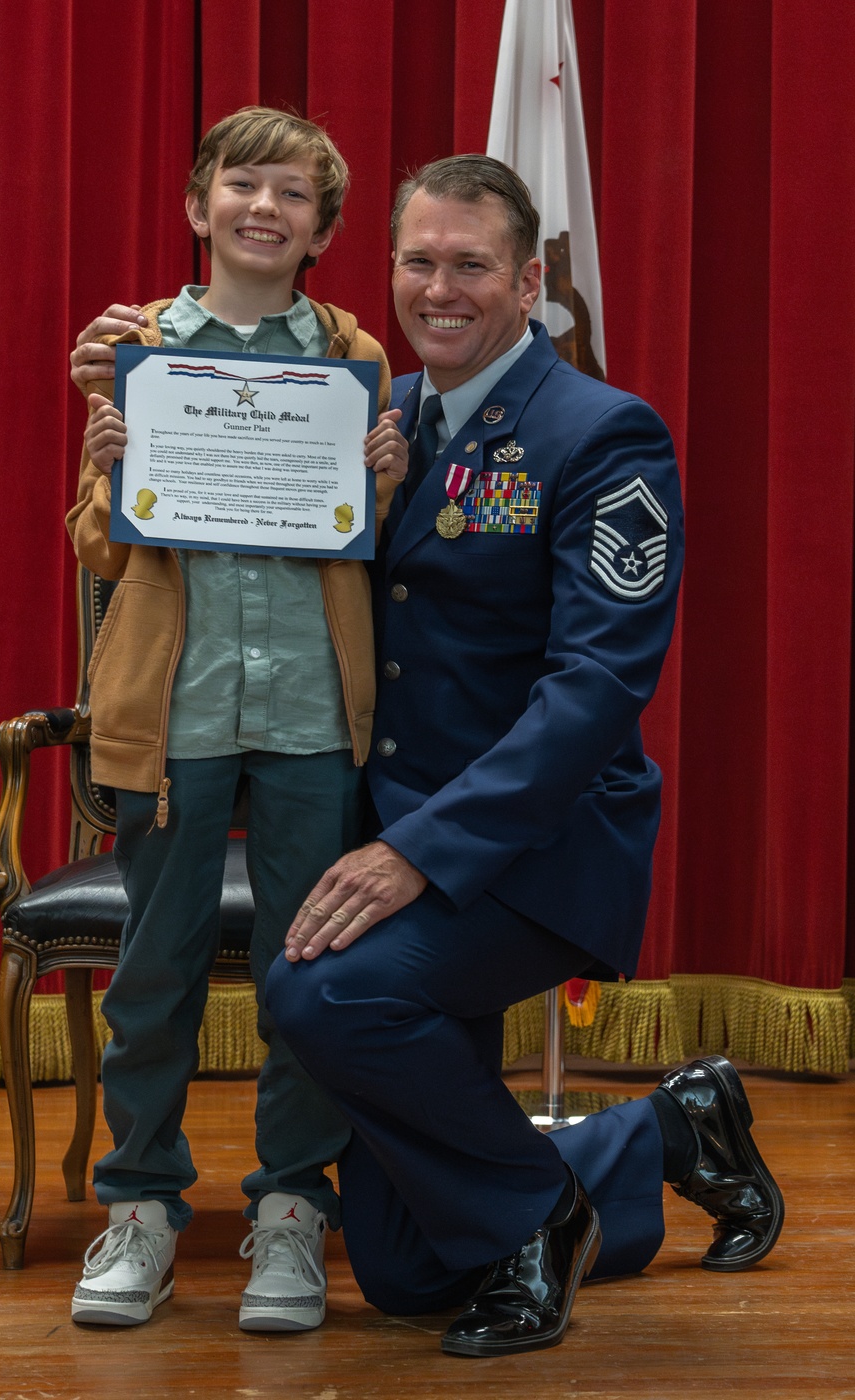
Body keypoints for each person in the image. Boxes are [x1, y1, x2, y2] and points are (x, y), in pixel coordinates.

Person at [259, 155, 784, 1356]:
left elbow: (594, 687)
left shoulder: (601, 432)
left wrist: (414, 853)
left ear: (529, 277)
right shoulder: (375, 411)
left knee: (320, 987)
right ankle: (666, 1135)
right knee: (402, 1270)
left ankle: (542, 1212)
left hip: (539, 848)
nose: (439, 288)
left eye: (470, 265)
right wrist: (131, 413)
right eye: (417, 260)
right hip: (401, 828)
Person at [65, 106, 406, 1334]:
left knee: (304, 973)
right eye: (244, 185)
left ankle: (289, 1210)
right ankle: (143, 1205)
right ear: (199, 205)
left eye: (295, 195)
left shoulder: (358, 354)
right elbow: (103, 540)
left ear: (321, 229)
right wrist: (108, 457)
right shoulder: (139, 349)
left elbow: (382, 545)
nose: (266, 209)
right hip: (176, 712)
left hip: (317, 710)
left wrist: (382, 476)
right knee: (151, 972)